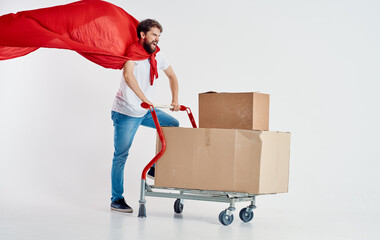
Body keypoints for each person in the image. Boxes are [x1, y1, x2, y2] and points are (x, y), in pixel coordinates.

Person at [110, 19, 180, 213]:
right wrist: (144, 98)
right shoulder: (132, 53)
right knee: (121, 155)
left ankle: (154, 168)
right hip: (127, 112)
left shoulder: (157, 55)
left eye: (159, 36)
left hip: (146, 110)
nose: (157, 39)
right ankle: (116, 199)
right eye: (154, 35)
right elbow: (128, 76)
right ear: (142, 35)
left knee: (173, 124)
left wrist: (175, 99)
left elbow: (172, 76)